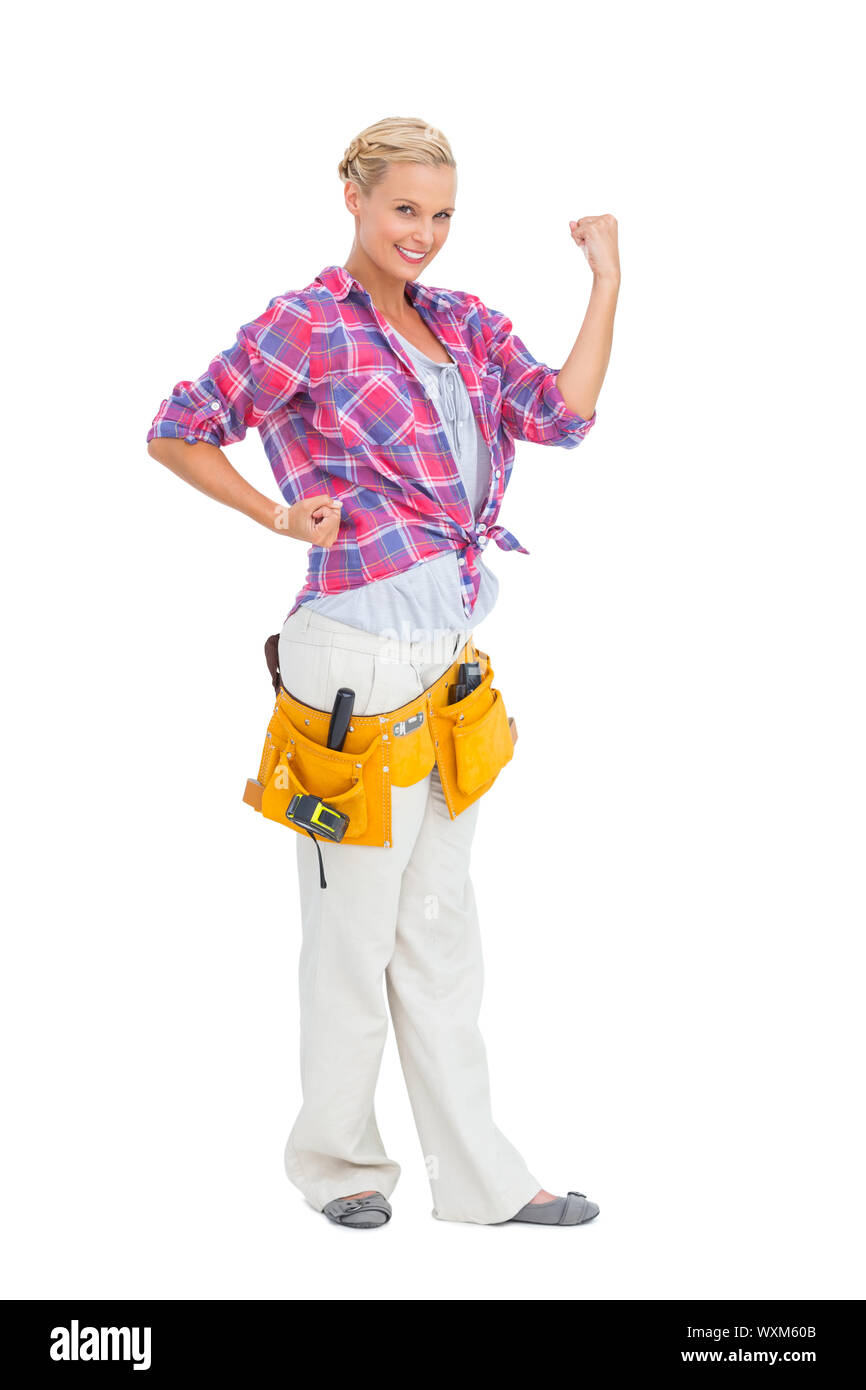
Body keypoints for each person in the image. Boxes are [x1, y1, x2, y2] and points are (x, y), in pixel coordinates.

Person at [146, 115, 620, 1229]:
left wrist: (604, 278)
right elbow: (179, 425)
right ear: (353, 198)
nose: (424, 234)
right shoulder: (307, 323)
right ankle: (340, 1167)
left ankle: (485, 1185)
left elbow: (562, 417)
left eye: (441, 214)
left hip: (445, 665)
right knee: (351, 932)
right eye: (405, 208)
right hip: (349, 659)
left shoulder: (461, 325)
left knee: (439, 930)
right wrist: (275, 512)